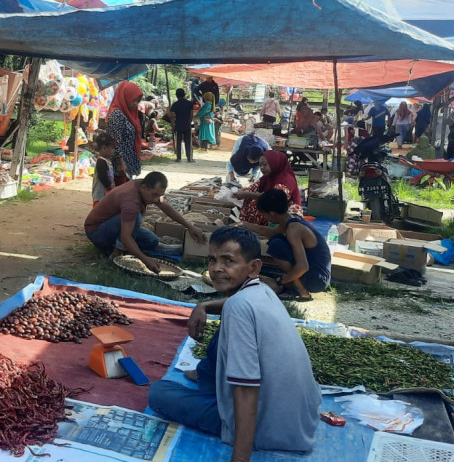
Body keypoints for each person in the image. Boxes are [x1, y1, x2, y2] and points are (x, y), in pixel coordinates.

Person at [149, 227, 321, 460]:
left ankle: (209, 386)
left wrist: (240, 457)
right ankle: (206, 376)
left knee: (159, 393)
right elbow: (233, 303)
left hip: (269, 428)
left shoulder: (238, 308)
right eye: (212, 260)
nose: (217, 268)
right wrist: (204, 306)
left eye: (228, 261)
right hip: (300, 419)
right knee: (223, 333)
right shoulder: (263, 290)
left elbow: (246, 388)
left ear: (254, 267)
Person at [84, 171, 205, 274]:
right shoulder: (131, 202)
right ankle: (115, 253)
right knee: (136, 218)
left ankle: (120, 247)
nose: (156, 199)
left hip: (114, 223)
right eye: (154, 195)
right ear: (144, 188)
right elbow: (126, 237)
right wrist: (145, 260)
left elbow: (165, 206)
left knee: (152, 240)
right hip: (97, 231)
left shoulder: (142, 185)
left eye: (160, 195)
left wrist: (189, 226)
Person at [253, 189, 331, 301]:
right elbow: (272, 232)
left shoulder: (293, 229)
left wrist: (282, 281)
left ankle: (301, 292)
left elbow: (303, 267)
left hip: (317, 280)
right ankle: (296, 286)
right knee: (277, 239)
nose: (264, 218)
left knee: (276, 245)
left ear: (272, 213)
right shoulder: (291, 219)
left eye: (264, 215)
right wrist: (244, 225)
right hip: (320, 275)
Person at [237, 151, 302, 228]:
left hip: (287, 214)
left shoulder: (286, 180)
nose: (261, 168)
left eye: (265, 164)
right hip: (273, 214)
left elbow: (274, 200)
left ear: (275, 163)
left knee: (258, 201)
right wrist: (241, 191)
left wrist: (247, 194)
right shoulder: (267, 178)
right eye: (260, 165)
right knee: (254, 200)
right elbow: (252, 188)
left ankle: (261, 228)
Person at [106, 81, 148, 184]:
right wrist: (121, 163)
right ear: (125, 96)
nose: (135, 103)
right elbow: (115, 141)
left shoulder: (129, 113)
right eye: (133, 100)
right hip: (120, 165)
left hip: (128, 162)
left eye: (138, 100)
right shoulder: (116, 114)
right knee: (120, 193)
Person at [169, 88, 195, 162]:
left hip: (178, 124)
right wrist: (189, 122)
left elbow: (172, 116)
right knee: (188, 142)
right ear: (184, 95)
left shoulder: (175, 105)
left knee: (178, 142)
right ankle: (189, 158)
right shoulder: (189, 104)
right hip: (187, 124)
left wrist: (173, 126)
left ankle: (178, 158)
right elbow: (191, 115)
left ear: (177, 95)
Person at [91, 132, 117, 206]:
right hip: (100, 196)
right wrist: (110, 186)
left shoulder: (107, 160)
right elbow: (103, 177)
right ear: (104, 148)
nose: (113, 150)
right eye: (112, 148)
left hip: (106, 195)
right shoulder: (101, 162)